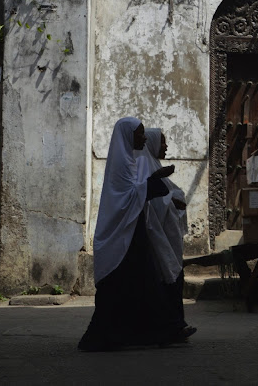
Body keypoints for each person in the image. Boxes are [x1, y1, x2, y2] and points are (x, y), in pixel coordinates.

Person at [78, 117, 195, 352]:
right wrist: (154, 180)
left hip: (133, 232)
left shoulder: (130, 163)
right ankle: (104, 337)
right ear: (127, 137)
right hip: (122, 237)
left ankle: (162, 331)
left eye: (143, 134)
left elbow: (136, 195)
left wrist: (154, 181)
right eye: (139, 134)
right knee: (129, 288)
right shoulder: (122, 166)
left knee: (143, 287)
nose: (142, 138)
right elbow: (126, 198)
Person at [134, 128, 190, 329]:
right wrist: (172, 200)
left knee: (173, 276)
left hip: (167, 234)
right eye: (163, 142)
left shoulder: (153, 165)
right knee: (167, 277)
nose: (165, 146)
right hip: (157, 236)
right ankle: (171, 326)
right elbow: (149, 202)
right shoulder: (143, 166)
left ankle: (176, 324)